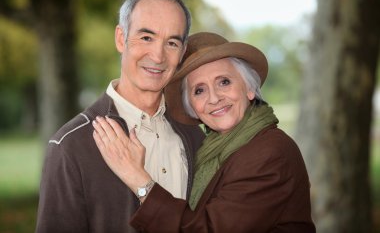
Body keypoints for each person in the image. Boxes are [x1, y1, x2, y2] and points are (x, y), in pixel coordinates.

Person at [93, 32, 316, 232]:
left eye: (224, 82)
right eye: (199, 90)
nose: (214, 98)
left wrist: (138, 179)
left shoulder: (270, 152)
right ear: (192, 107)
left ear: (249, 89)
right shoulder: (209, 150)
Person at [35, 0, 205, 233]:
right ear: (120, 38)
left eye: (171, 43)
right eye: (146, 37)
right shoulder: (70, 146)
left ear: (183, 51)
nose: (157, 56)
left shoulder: (195, 137)